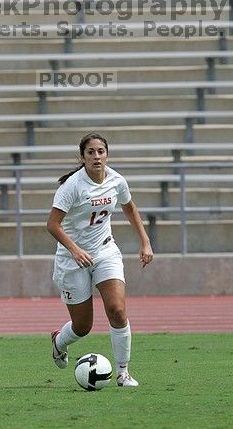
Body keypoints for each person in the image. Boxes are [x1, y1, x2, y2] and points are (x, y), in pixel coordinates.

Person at [46, 132, 154, 387]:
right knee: (83, 326)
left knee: (117, 310)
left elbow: (129, 207)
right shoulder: (72, 186)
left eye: (100, 151)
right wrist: (74, 250)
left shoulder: (116, 180)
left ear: (107, 154)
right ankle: (59, 341)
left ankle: (123, 372)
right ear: (82, 157)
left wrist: (145, 241)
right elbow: (52, 224)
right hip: (73, 258)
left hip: (105, 251)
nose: (96, 156)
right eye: (91, 152)